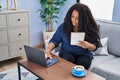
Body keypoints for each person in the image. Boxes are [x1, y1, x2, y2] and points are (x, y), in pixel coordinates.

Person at [45, 3, 101, 70]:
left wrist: (88, 45)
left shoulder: (89, 28)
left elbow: (94, 47)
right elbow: (54, 40)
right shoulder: (64, 27)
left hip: (84, 54)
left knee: (83, 63)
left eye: (78, 18)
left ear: (84, 19)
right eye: (72, 17)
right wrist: (48, 51)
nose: (74, 21)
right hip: (66, 53)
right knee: (67, 60)